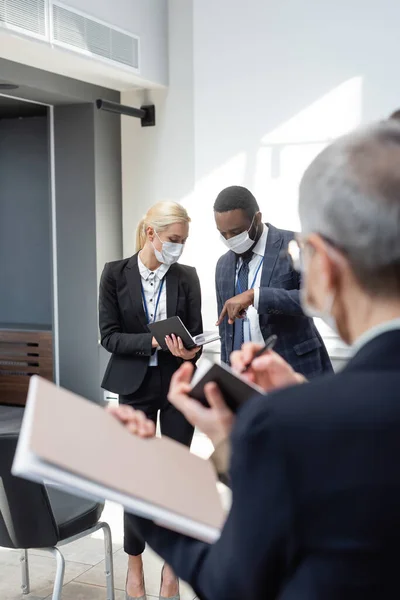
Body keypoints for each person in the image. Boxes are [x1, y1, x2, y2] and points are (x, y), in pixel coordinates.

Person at [110, 118, 400, 599]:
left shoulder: (292, 425)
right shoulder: (222, 267)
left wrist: (142, 486)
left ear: (321, 265)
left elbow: (236, 582)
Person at [99, 201, 203, 600]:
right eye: (174, 240)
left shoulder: (188, 277)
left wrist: (189, 350)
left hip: (177, 384)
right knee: (137, 479)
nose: (178, 248)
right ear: (151, 235)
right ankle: (135, 563)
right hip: (134, 385)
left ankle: (173, 567)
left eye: (184, 241)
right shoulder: (114, 274)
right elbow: (109, 336)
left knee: (175, 477)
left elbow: (194, 335)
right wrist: (154, 341)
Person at [214, 185, 332, 377]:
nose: (229, 240)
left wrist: (257, 296)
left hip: (296, 369)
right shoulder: (223, 265)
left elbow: (317, 300)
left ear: (257, 219)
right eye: (223, 233)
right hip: (246, 378)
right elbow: (226, 331)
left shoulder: (295, 245)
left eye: (236, 233)